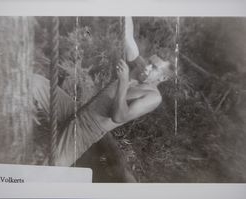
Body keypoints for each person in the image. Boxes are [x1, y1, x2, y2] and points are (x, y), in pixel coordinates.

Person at [32, 17, 174, 169]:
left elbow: (119, 117)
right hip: (75, 110)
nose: (147, 67)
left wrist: (124, 82)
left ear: (164, 77)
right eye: (149, 62)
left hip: (86, 130)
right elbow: (128, 37)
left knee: (50, 170)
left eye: (154, 68)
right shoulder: (141, 68)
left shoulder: (153, 97)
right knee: (34, 82)